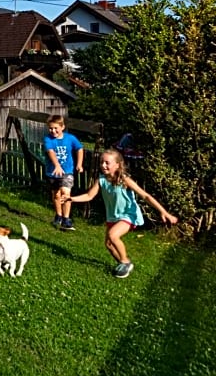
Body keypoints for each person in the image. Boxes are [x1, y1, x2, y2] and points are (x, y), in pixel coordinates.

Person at [64, 149, 178, 278]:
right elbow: (89, 196)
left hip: (128, 215)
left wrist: (164, 212)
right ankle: (125, 264)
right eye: (102, 162)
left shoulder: (124, 180)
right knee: (109, 245)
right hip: (112, 216)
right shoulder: (101, 180)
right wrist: (72, 199)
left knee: (113, 235)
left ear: (118, 164)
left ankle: (124, 262)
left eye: (107, 163)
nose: (103, 165)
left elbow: (146, 196)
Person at [44, 114, 84, 231]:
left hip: (67, 171)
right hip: (52, 172)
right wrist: (56, 165)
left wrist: (79, 164)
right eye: (51, 128)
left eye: (56, 128)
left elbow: (79, 149)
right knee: (56, 194)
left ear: (62, 127)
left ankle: (66, 219)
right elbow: (50, 151)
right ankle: (58, 215)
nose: (53, 131)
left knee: (65, 193)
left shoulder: (70, 138)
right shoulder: (48, 139)